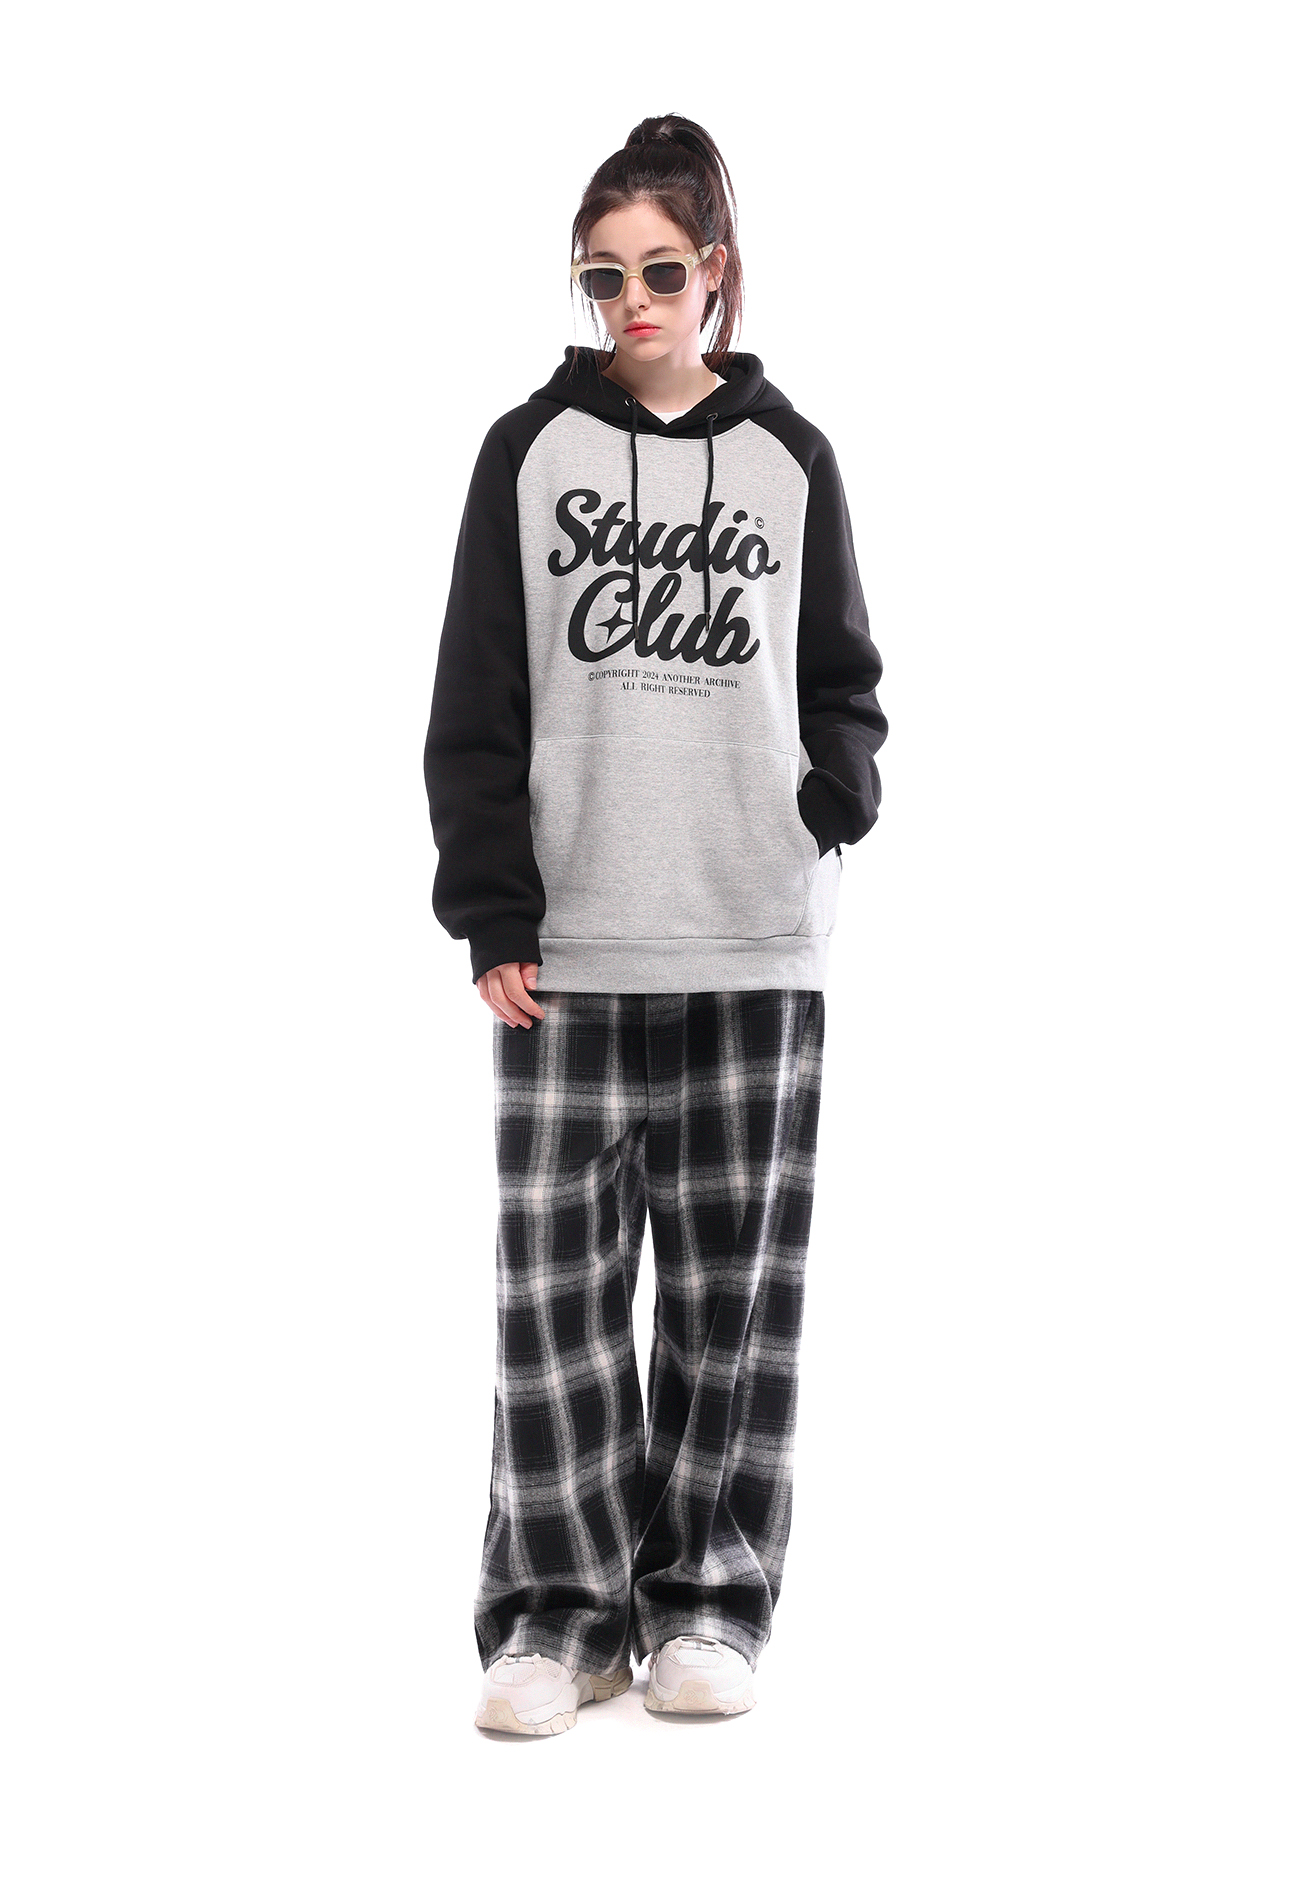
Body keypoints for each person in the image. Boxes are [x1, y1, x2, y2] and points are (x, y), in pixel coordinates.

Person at [423, 114, 887, 1735]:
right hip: (572, 945)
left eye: (662, 272)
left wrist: (833, 794)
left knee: (728, 1298)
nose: (632, 302)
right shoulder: (530, 452)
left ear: (717, 274)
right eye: (603, 275)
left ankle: (707, 1604)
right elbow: (476, 694)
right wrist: (492, 902)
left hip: (754, 935)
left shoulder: (791, 459)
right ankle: (557, 1618)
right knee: (553, 1303)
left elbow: (844, 678)